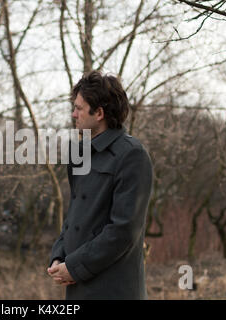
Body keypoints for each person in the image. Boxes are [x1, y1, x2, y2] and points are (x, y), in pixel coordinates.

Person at [47, 70, 153, 299]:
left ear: (99, 114)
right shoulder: (78, 155)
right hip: (78, 288)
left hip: (114, 290)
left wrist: (74, 266)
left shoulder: (132, 156)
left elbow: (123, 230)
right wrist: (59, 255)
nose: (74, 114)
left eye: (79, 108)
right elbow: (75, 218)